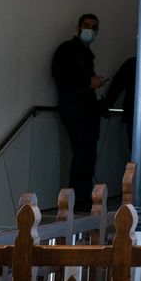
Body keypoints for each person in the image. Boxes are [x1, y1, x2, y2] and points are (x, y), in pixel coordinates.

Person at [51, 13, 107, 210]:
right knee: (83, 154)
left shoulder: (85, 53)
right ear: (78, 28)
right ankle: (78, 200)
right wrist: (88, 82)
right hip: (76, 109)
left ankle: (81, 198)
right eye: (87, 25)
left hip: (84, 110)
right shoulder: (68, 49)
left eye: (94, 27)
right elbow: (61, 75)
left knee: (86, 155)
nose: (90, 30)